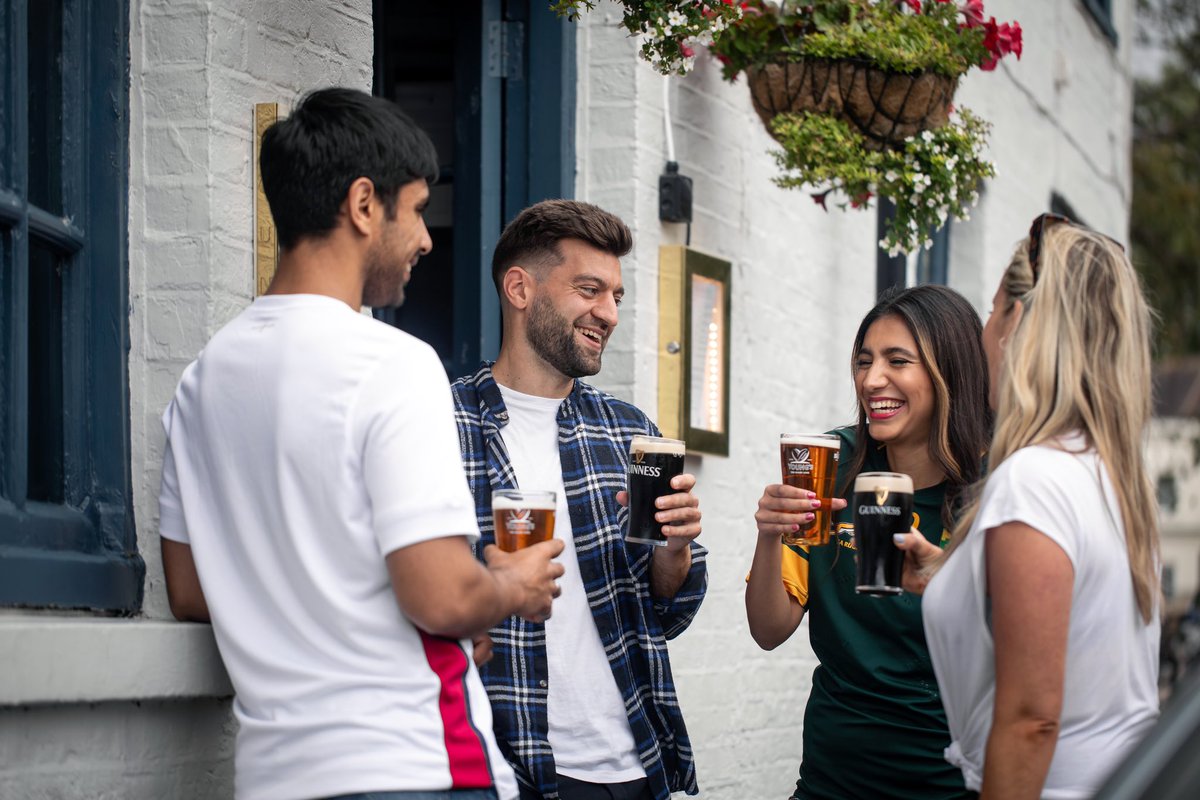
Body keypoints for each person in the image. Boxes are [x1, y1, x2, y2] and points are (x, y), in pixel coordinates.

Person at [158, 87, 564, 800]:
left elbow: (194, 591)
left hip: (276, 778)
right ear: (364, 204)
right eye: (415, 210)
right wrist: (508, 585)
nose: (426, 238)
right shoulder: (391, 362)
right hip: (412, 763)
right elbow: (440, 597)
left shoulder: (202, 379)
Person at [451, 200, 708, 800]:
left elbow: (666, 610)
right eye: (589, 289)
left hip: (636, 765)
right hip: (507, 766)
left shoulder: (628, 431)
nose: (609, 313)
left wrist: (676, 550)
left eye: (616, 295)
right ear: (520, 288)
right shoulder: (444, 421)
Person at [900, 214, 1161, 798]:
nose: (984, 330)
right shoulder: (1105, 471)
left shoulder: (1034, 480)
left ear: (1019, 322)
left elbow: (1031, 720)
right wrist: (951, 578)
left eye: (993, 310)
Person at [747, 285, 992, 800]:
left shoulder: (995, 487)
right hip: (829, 783)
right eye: (864, 360)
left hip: (946, 786)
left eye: (897, 360)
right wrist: (769, 535)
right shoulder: (829, 464)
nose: (871, 379)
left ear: (950, 371)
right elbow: (769, 629)